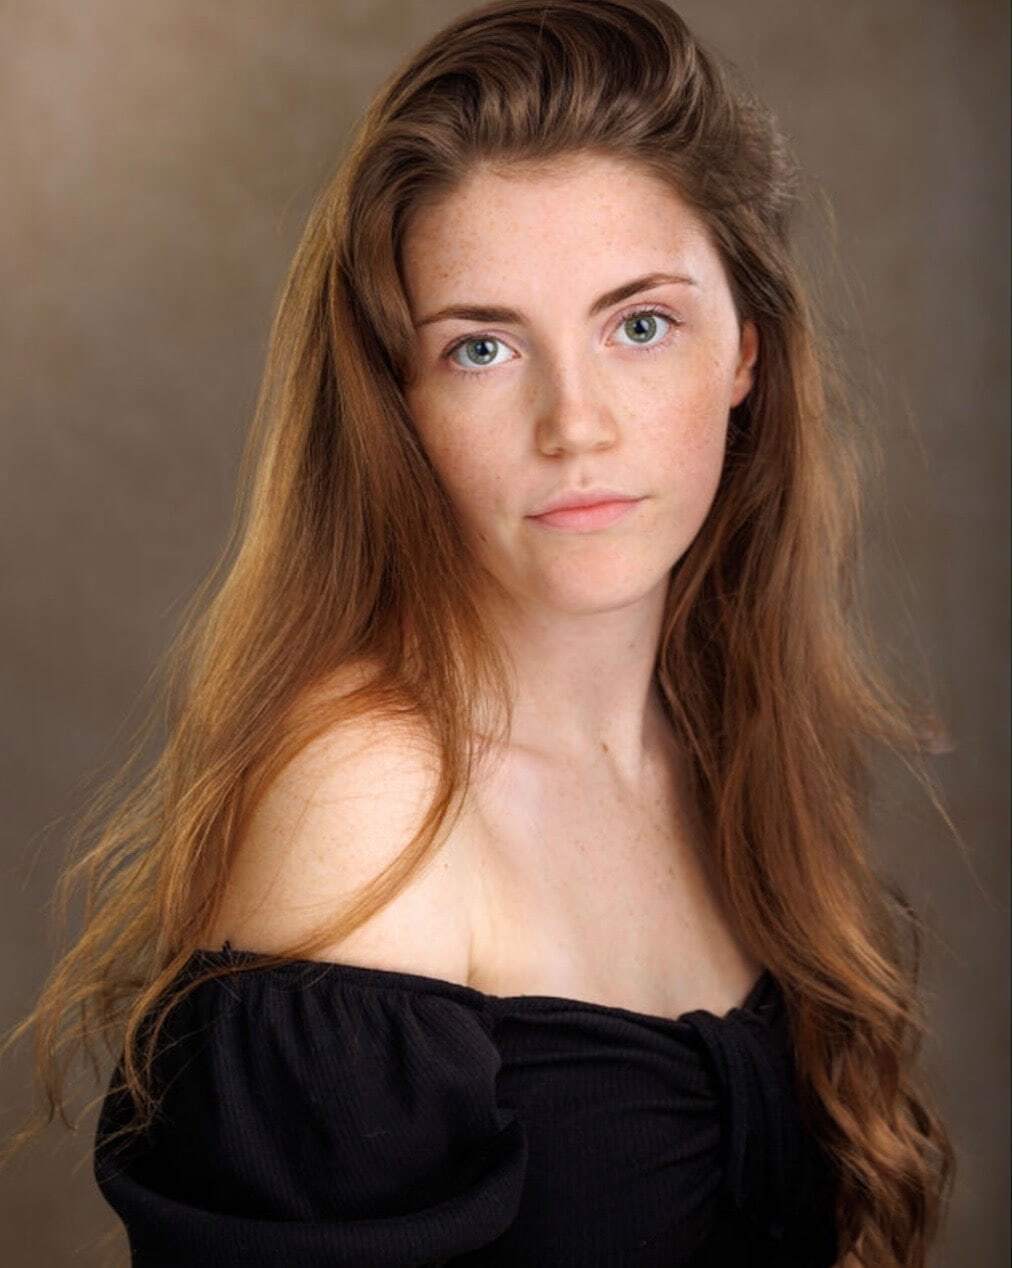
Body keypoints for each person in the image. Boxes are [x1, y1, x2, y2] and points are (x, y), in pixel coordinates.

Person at [1, 1, 956, 1264]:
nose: (576, 424)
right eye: (483, 347)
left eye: (639, 324)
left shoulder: (722, 734)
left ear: (744, 354)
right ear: (399, 404)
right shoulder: (369, 803)